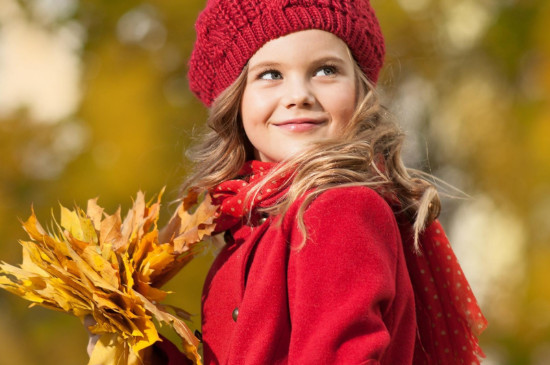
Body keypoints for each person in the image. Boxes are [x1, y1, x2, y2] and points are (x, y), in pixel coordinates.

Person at [88, 0, 487, 364]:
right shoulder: (248, 227)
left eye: (326, 70)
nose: (299, 95)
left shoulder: (340, 211)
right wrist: (137, 351)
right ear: (235, 100)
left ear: (360, 90)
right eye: (271, 74)